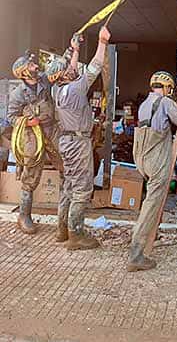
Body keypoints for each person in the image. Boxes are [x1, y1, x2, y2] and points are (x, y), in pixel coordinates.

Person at [46, 26, 110, 250]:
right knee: (82, 187)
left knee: (68, 185)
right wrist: (102, 42)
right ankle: (76, 235)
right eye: (69, 69)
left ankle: (62, 230)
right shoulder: (75, 89)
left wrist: (75, 48)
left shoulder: (58, 90)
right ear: (64, 76)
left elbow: (70, 69)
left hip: (66, 141)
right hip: (78, 142)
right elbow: (95, 66)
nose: (74, 69)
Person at [128, 71, 177, 272]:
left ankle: (149, 234)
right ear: (167, 87)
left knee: (150, 200)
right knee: (151, 205)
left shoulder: (144, 104)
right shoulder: (165, 102)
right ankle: (136, 255)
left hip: (141, 158)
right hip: (156, 161)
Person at [8, 51, 63, 234]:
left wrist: (72, 48)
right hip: (32, 135)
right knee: (30, 173)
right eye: (31, 65)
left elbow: (57, 67)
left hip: (51, 130)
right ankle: (24, 216)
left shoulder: (43, 80)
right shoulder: (17, 94)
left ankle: (65, 216)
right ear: (24, 72)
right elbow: (10, 116)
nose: (35, 66)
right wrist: (27, 122)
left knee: (66, 165)